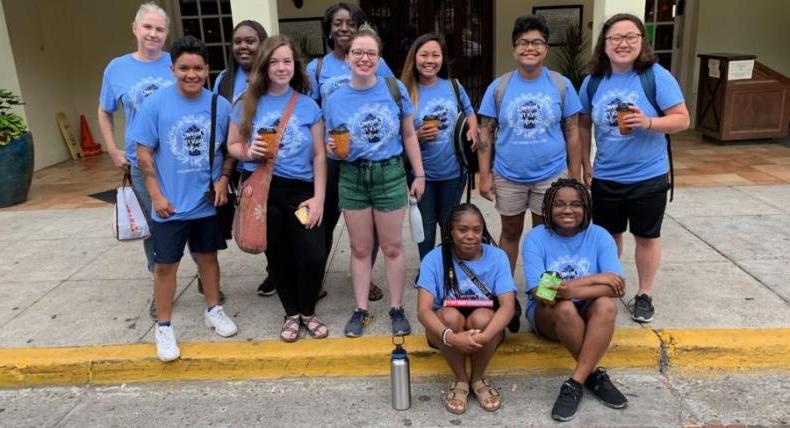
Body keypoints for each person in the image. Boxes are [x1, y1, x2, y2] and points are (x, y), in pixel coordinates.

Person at [131, 35, 238, 362]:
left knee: (208, 258)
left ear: (207, 69)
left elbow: (229, 150)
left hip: (206, 203)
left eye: (197, 68)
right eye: (183, 68)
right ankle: (164, 327)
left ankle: (213, 309)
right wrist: (156, 196)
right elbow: (143, 153)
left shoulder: (221, 106)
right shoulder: (155, 105)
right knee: (166, 265)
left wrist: (223, 179)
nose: (191, 74)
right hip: (170, 205)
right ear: (172, 68)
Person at [578, 13, 690, 323]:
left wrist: (648, 122)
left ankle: (644, 294)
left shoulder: (656, 76)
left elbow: (682, 119)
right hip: (606, 175)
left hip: (648, 176)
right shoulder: (594, 80)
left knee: (646, 236)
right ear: (605, 44)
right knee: (608, 235)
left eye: (631, 37)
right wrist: (586, 161)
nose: (623, 43)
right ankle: (609, 284)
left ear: (642, 42)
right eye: (615, 38)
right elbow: (583, 122)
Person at [323, 25, 425, 338]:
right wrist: (332, 147)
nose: (364, 58)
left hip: (389, 173)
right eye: (358, 52)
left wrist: (419, 173)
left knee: (393, 247)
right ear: (348, 57)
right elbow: (333, 137)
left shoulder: (394, 89)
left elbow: (409, 134)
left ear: (379, 57)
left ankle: (396, 307)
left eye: (371, 53)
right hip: (352, 175)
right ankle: (361, 309)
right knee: (360, 248)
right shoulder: (334, 97)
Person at [226, 35, 328, 342]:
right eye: (274, 62)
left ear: (294, 66)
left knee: (312, 254)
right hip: (264, 190)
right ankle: (292, 314)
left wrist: (319, 196)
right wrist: (249, 152)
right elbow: (232, 145)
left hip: (301, 190)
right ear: (263, 65)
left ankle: (308, 311)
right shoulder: (246, 103)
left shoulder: (308, 104)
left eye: (287, 61)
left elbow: (320, 154)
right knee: (278, 257)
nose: (281, 67)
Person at [477, 15, 583, 275]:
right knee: (510, 232)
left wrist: (575, 177)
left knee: (545, 235)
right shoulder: (498, 87)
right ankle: (505, 291)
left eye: (537, 42)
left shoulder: (561, 85)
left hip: (551, 176)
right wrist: (484, 176)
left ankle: (543, 293)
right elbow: (485, 134)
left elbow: (573, 133)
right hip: (508, 175)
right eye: (523, 42)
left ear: (546, 48)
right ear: (514, 49)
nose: (530, 48)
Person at [307, 2, 398, 303]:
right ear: (329, 29)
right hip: (331, 156)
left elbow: (391, 98)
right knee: (324, 219)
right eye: (337, 23)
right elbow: (310, 112)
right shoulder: (316, 67)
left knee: (368, 224)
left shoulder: (375, 62)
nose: (343, 28)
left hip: (367, 159)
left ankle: (366, 277)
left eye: (350, 23)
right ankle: (315, 276)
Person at [522, 178, 628, 421]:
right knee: (565, 308)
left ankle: (576, 382)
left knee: (606, 305)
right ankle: (595, 377)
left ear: (586, 208)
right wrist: (594, 280)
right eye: (559, 204)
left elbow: (616, 288)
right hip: (547, 315)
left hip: (586, 308)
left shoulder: (600, 236)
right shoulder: (536, 237)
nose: (567, 210)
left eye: (575, 204)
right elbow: (541, 292)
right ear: (548, 207)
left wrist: (568, 289)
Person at [97, 3, 177, 317]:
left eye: (159, 29)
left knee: (190, 219)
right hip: (141, 164)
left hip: (178, 160)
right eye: (148, 28)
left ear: (166, 33)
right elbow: (104, 111)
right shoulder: (116, 68)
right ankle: (160, 287)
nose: (153, 34)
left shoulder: (176, 63)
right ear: (135, 29)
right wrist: (113, 150)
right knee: (153, 226)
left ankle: (204, 275)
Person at [417, 203, 515, 414]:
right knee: (450, 317)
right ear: (451, 231)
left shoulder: (498, 257)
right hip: (445, 327)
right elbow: (424, 311)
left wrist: (487, 336)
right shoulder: (433, 259)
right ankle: (461, 380)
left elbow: (507, 306)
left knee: (482, 320)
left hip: (485, 323)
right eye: (463, 230)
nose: (470, 236)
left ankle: (477, 378)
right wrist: (452, 338)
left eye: (477, 230)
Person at [212, 20, 277, 298]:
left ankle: (276, 272)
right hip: (241, 163)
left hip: (275, 163)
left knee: (276, 222)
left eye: (250, 40)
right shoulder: (224, 81)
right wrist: (224, 174)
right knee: (255, 220)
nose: (243, 46)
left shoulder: (274, 74)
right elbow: (223, 132)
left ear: (262, 43)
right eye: (238, 41)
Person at [400, 33, 479, 261]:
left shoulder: (453, 86)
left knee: (449, 223)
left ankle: (446, 267)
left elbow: (470, 111)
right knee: (425, 226)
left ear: (442, 59)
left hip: (454, 171)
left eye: (435, 55)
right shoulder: (406, 91)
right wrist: (418, 135)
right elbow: (400, 134)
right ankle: (428, 271)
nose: (430, 60)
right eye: (424, 54)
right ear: (414, 58)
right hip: (420, 174)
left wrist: (473, 128)